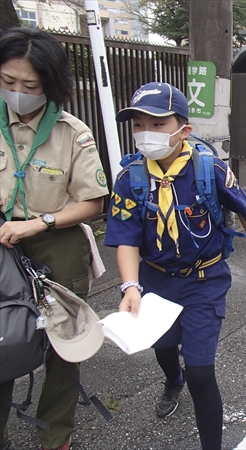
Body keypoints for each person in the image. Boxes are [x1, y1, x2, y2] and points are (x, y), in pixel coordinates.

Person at [104, 82, 246, 448]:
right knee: (163, 349)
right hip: (156, 281)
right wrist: (130, 286)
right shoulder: (130, 178)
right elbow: (125, 239)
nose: (146, 133)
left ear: (184, 130)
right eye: (138, 124)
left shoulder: (207, 168)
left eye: (157, 124)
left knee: (201, 373)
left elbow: (245, 210)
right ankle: (172, 380)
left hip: (205, 280)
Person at [0, 28, 109, 450]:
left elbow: (92, 204)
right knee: (4, 338)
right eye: (8, 82)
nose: (18, 93)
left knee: (66, 343)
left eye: (29, 85)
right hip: (2, 246)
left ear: (50, 83)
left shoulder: (71, 131)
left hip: (56, 242)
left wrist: (39, 223)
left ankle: (56, 434)